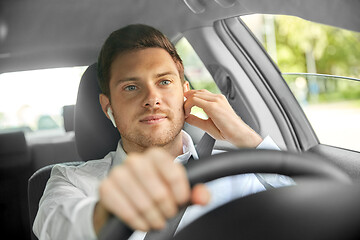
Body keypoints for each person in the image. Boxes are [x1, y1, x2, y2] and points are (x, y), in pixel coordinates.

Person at [33, 24, 293, 240]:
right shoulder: (70, 181)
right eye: (131, 87)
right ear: (107, 106)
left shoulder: (240, 170)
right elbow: (59, 227)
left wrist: (247, 139)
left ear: (185, 92)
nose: (152, 98)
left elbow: (307, 213)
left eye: (164, 82)